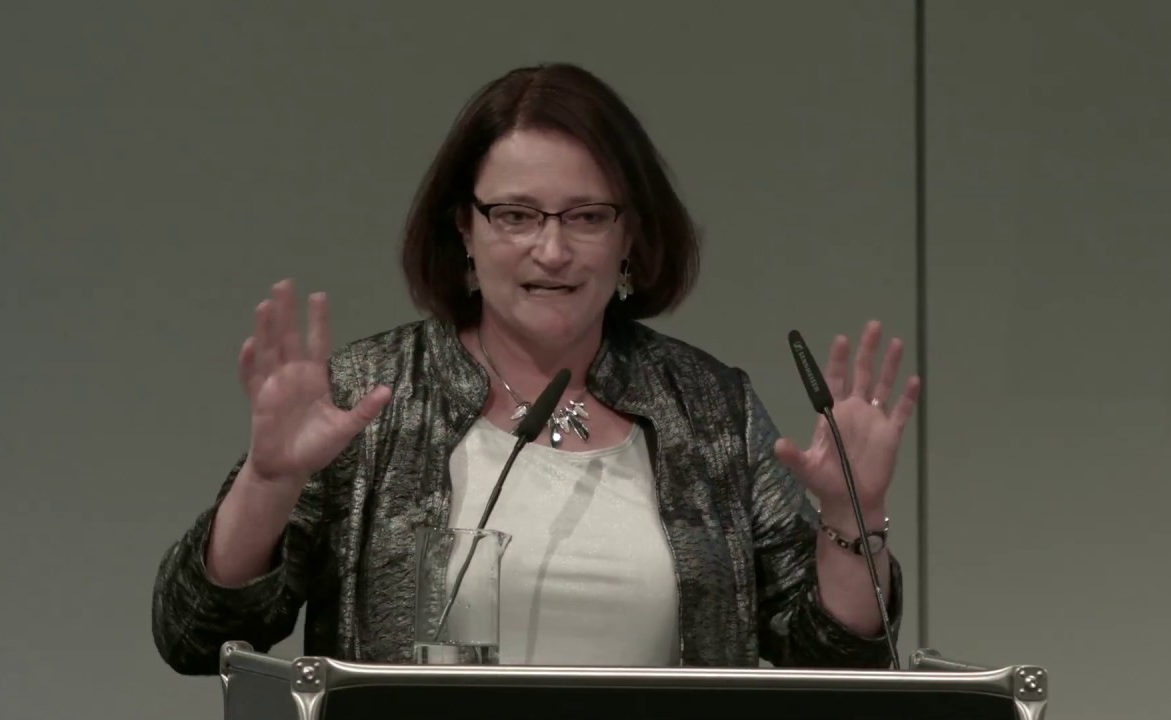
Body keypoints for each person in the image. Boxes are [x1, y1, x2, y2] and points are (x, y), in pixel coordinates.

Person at [151, 61, 921, 675]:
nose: (552, 251)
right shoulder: (370, 396)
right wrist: (270, 480)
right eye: (516, 215)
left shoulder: (710, 409)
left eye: (586, 217)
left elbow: (841, 660)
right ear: (464, 229)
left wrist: (855, 515)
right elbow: (195, 635)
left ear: (629, 238)